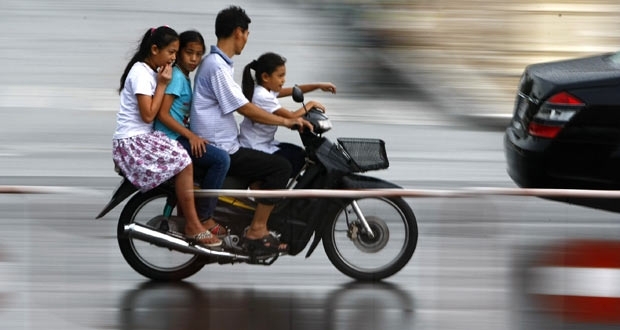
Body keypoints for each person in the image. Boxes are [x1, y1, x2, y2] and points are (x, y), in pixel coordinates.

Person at [190, 6, 312, 253]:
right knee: (282, 167)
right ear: (238, 32)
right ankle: (257, 229)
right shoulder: (215, 66)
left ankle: (256, 204)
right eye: (247, 33)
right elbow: (245, 108)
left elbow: (246, 103)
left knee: (285, 158)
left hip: (226, 144)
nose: (246, 39)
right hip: (222, 149)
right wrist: (286, 121)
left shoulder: (220, 65)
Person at [113, 26, 221, 247]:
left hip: (143, 137)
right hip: (132, 142)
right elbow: (149, 115)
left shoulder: (151, 71)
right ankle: (193, 224)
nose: (173, 58)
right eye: (171, 52)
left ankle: (188, 217)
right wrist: (162, 84)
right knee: (184, 161)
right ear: (154, 49)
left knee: (185, 159)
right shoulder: (141, 73)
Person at [153, 30, 230, 237]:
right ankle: (205, 218)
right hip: (172, 139)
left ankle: (190, 210)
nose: (194, 59)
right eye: (189, 53)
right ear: (178, 53)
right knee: (221, 159)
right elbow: (162, 114)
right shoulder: (177, 77)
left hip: (177, 136)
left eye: (198, 54)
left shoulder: (183, 77)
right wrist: (191, 136)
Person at [240, 52, 336, 176]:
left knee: (299, 154)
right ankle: (260, 184)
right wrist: (310, 104)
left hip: (264, 143)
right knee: (297, 160)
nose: (283, 80)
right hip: (256, 147)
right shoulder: (262, 96)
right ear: (265, 77)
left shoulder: (266, 90)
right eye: (280, 76)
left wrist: (318, 86)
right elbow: (291, 117)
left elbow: (294, 90)